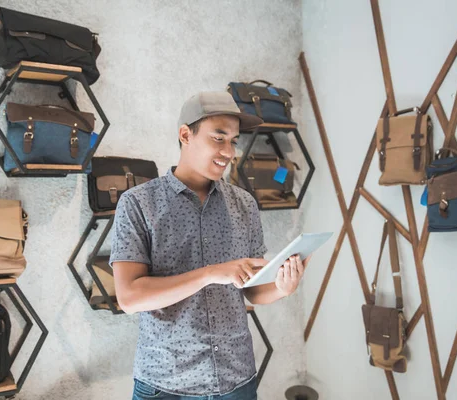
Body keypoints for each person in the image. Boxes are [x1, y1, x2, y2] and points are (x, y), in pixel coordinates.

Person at [110, 91, 311, 400]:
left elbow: (252, 290)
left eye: (234, 141)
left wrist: (283, 287)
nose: (229, 151)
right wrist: (209, 273)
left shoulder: (244, 203)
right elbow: (130, 298)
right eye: (219, 138)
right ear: (185, 134)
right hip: (165, 385)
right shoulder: (138, 204)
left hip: (236, 379)